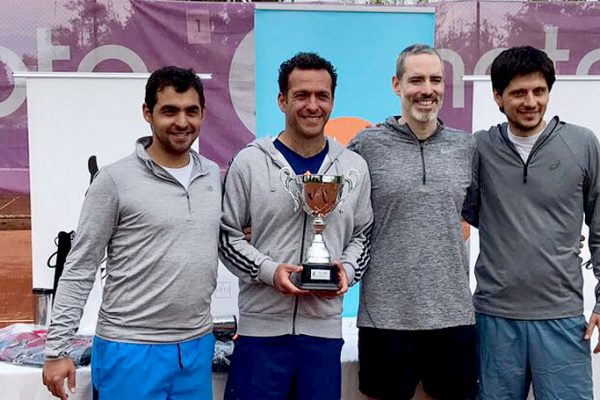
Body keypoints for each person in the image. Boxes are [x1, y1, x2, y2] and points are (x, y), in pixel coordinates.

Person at [42, 66, 221, 400]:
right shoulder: (114, 180)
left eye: (191, 111)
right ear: (147, 113)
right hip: (130, 349)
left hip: (196, 347)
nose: (182, 122)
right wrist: (56, 349)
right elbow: (80, 266)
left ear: (203, 113)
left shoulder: (211, 175)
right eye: (169, 111)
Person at [219, 52, 373, 400]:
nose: (312, 105)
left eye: (322, 96)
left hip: (322, 335)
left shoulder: (353, 167)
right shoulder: (250, 163)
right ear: (282, 100)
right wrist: (270, 272)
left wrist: (347, 270)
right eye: (302, 95)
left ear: (332, 101)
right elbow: (227, 238)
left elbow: (363, 234)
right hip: (260, 335)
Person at [462, 45, 600, 399]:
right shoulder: (479, 148)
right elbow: (472, 212)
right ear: (498, 96)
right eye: (518, 93)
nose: (531, 101)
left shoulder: (582, 144)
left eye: (539, 91)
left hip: (562, 318)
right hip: (494, 318)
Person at [349, 44, 477, 400]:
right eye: (416, 80)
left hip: (453, 314)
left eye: (436, 80)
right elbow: (338, 215)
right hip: (384, 317)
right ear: (397, 84)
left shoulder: (466, 148)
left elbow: (486, 214)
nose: (427, 89)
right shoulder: (367, 145)